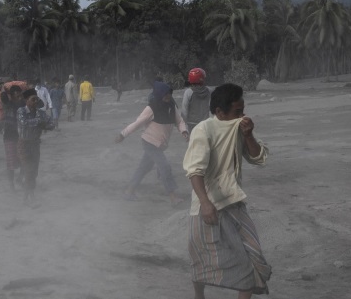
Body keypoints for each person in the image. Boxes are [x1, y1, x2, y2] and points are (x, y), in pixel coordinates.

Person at [183, 83, 271, 299]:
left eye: (243, 111)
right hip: (208, 204)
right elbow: (195, 171)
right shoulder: (203, 130)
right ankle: (198, 296)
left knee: (252, 258)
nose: (242, 116)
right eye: (237, 112)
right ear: (220, 112)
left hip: (234, 203)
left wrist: (249, 135)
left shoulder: (240, 129)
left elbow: (257, 158)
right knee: (202, 259)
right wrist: (205, 203)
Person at [114, 81, 188, 205]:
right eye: (165, 94)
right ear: (159, 94)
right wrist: (123, 134)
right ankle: (173, 197)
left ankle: (128, 191)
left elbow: (179, 121)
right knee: (165, 167)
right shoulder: (151, 108)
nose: (168, 96)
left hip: (160, 144)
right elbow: (137, 123)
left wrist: (184, 131)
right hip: (149, 143)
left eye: (169, 94)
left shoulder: (171, 106)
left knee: (144, 167)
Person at [17, 88, 55, 205]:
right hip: (24, 144)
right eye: (33, 100)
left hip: (35, 144)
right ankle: (31, 197)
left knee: (34, 172)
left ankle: (25, 196)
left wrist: (46, 126)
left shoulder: (40, 112)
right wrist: (41, 123)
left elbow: (52, 123)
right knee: (29, 170)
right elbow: (24, 123)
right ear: (27, 100)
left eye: (36, 100)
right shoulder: (21, 111)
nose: (35, 102)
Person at [0, 85, 24, 190]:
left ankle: (19, 179)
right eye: (16, 93)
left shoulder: (22, 104)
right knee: (11, 163)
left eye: (20, 92)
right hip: (9, 136)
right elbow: (3, 96)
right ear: (12, 94)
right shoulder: (8, 104)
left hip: (21, 136)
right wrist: (3, 88)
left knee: (25, 161)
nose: (19, 94)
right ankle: (11, 184)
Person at [181, 68, 212, 132]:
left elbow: (184, 110)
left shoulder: (188, 92)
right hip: (205, 124)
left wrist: (184, 125)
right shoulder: (209, 91)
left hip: (192, 124)